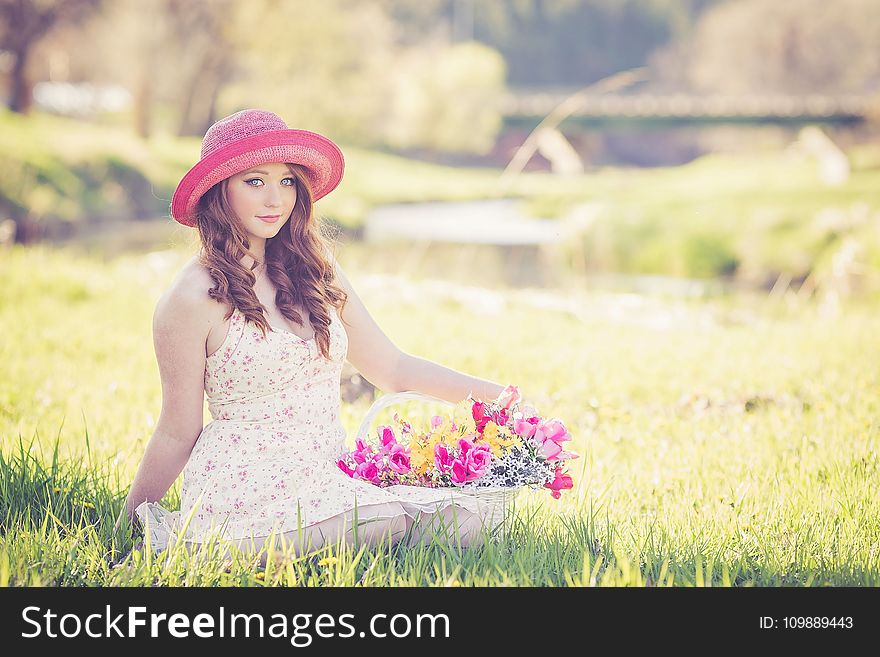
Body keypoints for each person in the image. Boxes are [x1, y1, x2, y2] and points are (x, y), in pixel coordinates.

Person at [118, 109, 511, 564]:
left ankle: (356, 536)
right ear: (218, 191)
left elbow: (393, 367)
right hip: (245, 478)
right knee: (380, 520)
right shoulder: (190, 299)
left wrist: (496, 398)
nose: (275, 199)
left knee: (470, 522)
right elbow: (176, 430)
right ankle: (205, 550)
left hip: (324, 466)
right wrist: (131, 522)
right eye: (254, 181)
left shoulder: (315, 267)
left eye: (286, 181)